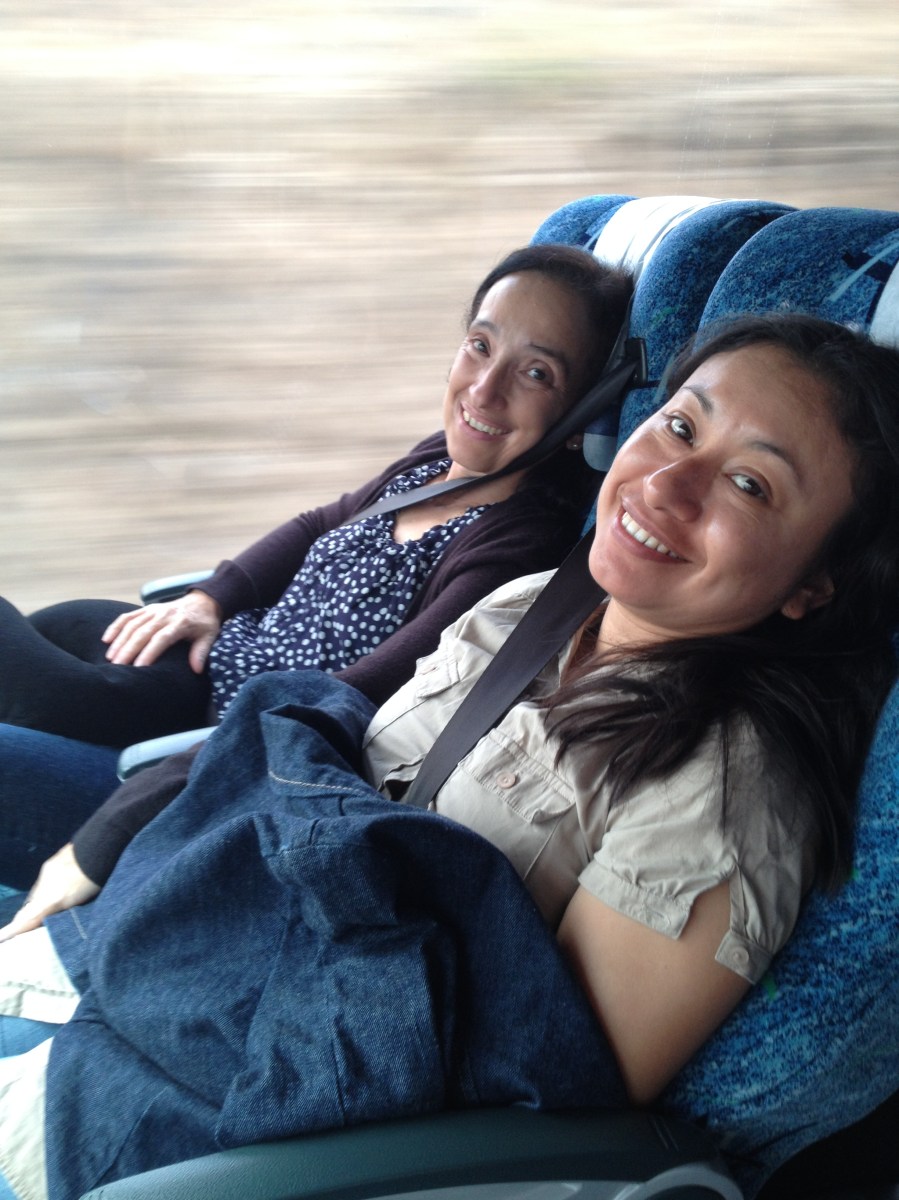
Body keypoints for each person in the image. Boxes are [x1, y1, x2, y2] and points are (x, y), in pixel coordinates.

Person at [2, 312, 899, 1200]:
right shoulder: (536, 605)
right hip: (194, 964)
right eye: (680, 426)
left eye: (749, 485)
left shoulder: (720, 791)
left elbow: (542, 1122)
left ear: (815, 582)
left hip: (219, 1120)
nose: (667, 483)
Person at [0, 245, 632, 887]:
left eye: (536, 374)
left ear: (583, 413)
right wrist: (207, 601)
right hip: (219, 654)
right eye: (480, 346)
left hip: (216, 743)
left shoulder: (514, 549)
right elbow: (316, 525)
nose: (484, 389)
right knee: (51, 626)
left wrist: (125, 822)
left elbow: (351, 698)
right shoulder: (435, 463)